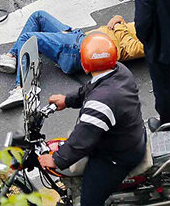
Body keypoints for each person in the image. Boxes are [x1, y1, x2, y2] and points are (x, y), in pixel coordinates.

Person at [38, 33, 147, 206]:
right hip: (131, 134)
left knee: (89, 201)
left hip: (117, 155)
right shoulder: (119, 70)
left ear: (84, 65)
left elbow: (82, 139)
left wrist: (56, 159)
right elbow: (90, 89)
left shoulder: (101, 103)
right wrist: (67, 100)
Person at [0, 10, 144, 110]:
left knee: (28, 38)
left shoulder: (160, 36)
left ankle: (22, 89)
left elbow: (133, 49)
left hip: (78, 50)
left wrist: (119, 25)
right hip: (81, 37)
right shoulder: (155, 19)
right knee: (38, 16)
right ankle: (11, 58)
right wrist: (119, 18)